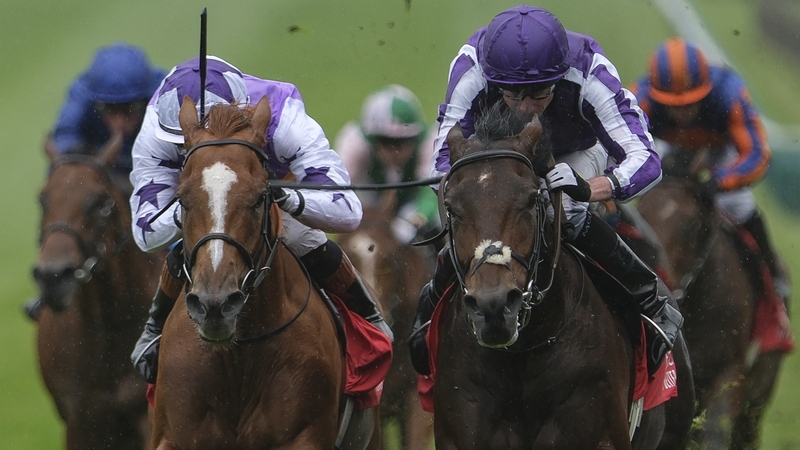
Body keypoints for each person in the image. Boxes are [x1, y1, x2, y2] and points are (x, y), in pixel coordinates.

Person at [408, 4, 684, 376]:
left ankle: (649, 297)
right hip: (499, 149)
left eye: (538, 94)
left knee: (565, 209)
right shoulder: (472, 66)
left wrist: (589, 188)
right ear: (493, 77)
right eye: (511, 94)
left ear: (560, 76)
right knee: (472, 207)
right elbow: (443, 159)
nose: (525, 108)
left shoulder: (590, 71)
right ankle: (430, 305)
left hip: (578, 149)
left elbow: (645, 159)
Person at [129, 55, 393, 384]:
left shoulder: (285, 116)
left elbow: (347, 211)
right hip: (201, 196)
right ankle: (154, 328)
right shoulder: (157, 127)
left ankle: (367, 318)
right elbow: (146, 232)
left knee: (302, 237)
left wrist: (284, 198)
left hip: (268, 190)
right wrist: (203, 203)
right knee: (197, 238)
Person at [630, 37, 788, 298]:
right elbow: (619, 144)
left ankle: (774, 277)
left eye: (691, 103)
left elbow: (758, 154)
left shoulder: (731, 95)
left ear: (707, 89)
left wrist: (719, 182)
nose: (682, 112)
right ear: (657, 95)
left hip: (719, 148)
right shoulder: (639, 98)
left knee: (739, 204)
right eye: (672, 105)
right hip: (666, 146)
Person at [23, 43, 165, 320]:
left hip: (153, 168)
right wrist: (89, 170)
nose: (120, 122)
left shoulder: (164, 91)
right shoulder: (82, 91)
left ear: (146, 97)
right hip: (101, 167)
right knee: (66, 193)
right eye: (110, 110)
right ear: (96, 101)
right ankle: (53, 274)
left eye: (130, 109)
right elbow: (64, 139)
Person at [335, 84, 439, 246]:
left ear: (416, 137)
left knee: (440, 221)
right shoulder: (354, 142)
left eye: (401, 142)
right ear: (372, 140)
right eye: (385, 142)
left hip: (412, 203)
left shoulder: (431, 141)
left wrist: (421, 214)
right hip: (366, 202)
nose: (394, 151)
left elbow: (432, 191)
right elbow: (338, 187)